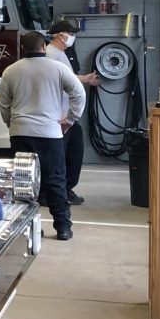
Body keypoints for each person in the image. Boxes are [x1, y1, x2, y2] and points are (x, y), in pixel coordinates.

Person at [0, 30, 85, 240]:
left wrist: (11, 123)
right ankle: (63, 227)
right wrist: (70, 119)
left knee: (24, 181)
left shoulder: (10, 71)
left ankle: (28, 227)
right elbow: (78, 93)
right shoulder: (58, 68)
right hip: (50, 134)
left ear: (23, 48)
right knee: (56, 180)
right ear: (43, 47)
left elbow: (3, 103)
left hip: (21, 134)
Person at [46, 17, 99, 206]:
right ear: (60, 35)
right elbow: (61, 79)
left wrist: (83, 79)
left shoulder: (61, 54)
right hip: (59, 115)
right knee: (64, 155)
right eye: (70, 34)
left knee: (73, 152)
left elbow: (67, 76)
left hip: (67, 113)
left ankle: (66, 188)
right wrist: (83, 80)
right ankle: (60, 190)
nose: (72, 38)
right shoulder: (51, 54)